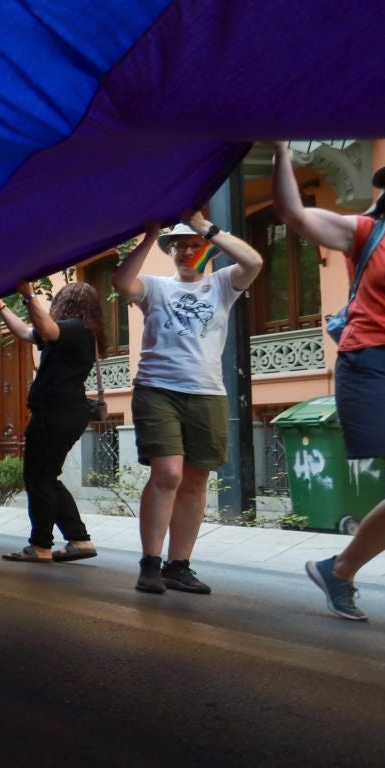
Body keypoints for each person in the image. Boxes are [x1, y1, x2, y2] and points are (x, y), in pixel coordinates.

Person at [273, 142, 385, 620]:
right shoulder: (368, 232)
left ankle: (340, 569)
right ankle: (341, 570)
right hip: (373, 364)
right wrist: (281, 152)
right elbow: (293, 212)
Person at [113, 208, 263, 595]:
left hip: (207, 393)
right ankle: (150, 563)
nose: (185, 252)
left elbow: (254, 260)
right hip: (158, 390)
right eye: (179, 246)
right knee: (168, 475)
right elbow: (121, 283)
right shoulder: (156, 287)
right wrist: (149, 237)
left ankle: (178, 566)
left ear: (208, 251)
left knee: (195, 481)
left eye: (194, 246)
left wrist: (206, 228)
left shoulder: (223, 285)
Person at [0, 280, 102, 564]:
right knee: (46, 477)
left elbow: (45, 328)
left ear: (66, 304)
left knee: (38, 478)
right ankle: (79, 539)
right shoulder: (69, 334)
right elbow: (25, 332)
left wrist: (28, 294)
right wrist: (0, 305)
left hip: (57, 412)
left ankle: (41, 545)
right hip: (63, 412)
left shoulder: (76, 329)